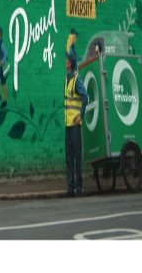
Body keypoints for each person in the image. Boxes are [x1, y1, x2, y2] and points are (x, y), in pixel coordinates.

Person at [63, 29, 88, 197]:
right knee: (69, 158)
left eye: (67, 60)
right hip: (67, 126)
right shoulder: (67, 79)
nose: (65, 61)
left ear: (71, 63)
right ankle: (70, 188)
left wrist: (81, 115)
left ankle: (79, 187)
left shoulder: (77, 79)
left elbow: (86, 96)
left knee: (77, 158)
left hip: (75, 126)